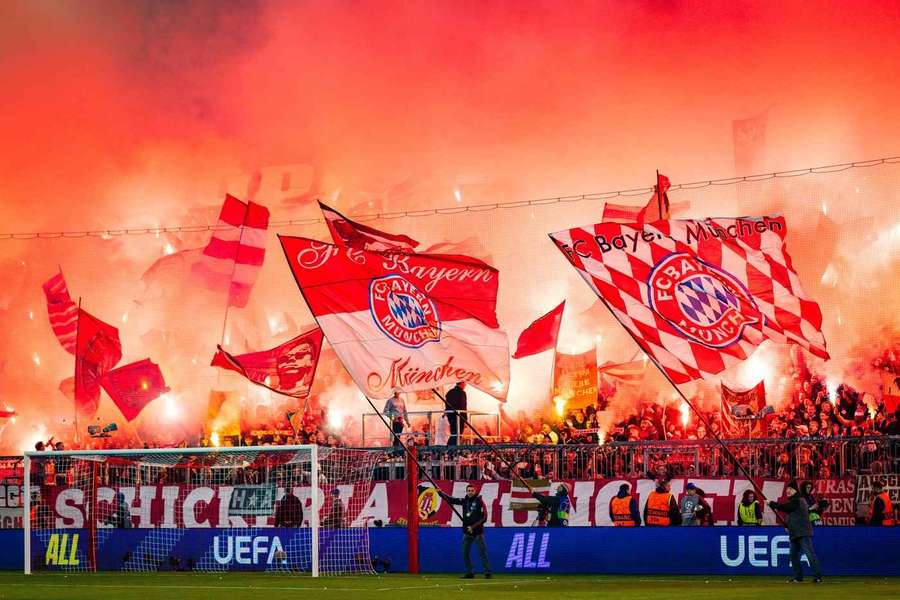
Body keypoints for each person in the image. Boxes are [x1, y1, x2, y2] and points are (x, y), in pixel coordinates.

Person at [768, 480, 823, 583]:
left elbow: (787, 508)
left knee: (809, 554)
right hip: (795, 532)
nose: (788, 491)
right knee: (794, 555)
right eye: (787, 489)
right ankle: (798, 577)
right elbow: (792, 514)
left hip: (802, 532)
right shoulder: (795, 500)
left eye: (790, 489)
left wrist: (772, 504)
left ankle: (817, 576)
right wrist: (787, 525)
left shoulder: (798, 499)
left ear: (795, 490)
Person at [438, 484, 491, 579]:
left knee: (482, 552)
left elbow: (485, 517)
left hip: (478, 532)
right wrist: (440, 493)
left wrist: (473, 527)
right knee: (465, 553)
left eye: (472, 490)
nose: (470, 492)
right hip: (467, 532)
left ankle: (487, 572)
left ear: (475, 491)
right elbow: (451, 500)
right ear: (466, 491)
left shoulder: (479, 501)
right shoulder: (465, 501)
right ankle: (470, 572)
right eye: (469, 490)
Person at [445, 382, 467, 446]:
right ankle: (450, 448)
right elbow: (463, 405)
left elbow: (446, 405)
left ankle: (449, 447)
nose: (465, 385)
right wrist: (465, 418)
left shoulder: (449, 392)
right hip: (459, 416)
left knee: (453, 433)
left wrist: (447, 413)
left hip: (450, 415)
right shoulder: (462, 392)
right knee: (458, 433)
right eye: (464, 384)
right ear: (461, 383)